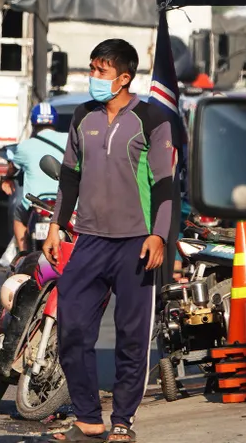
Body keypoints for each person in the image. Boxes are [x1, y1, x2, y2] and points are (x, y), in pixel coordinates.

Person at [44, 39, 175, 443]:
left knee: (131, 337)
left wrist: (159, 235)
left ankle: (122, 420)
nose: (93, 78)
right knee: (73, 329)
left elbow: (166, 185)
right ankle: (88, 417)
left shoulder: (152, 120)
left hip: (136, 243)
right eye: (92, 70)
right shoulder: (83, 116)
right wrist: (56, 225)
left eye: (100, 72)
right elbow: (70, 174)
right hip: (90, 240)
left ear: (123, 77)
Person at [1, 102, 68, 252]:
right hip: (67, 202)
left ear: (33, 123)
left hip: (37, 203)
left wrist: (7, 179)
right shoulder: (69, 140)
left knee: (18, 216)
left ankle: (24, 255)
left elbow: (12, 168)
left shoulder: (25, 146)